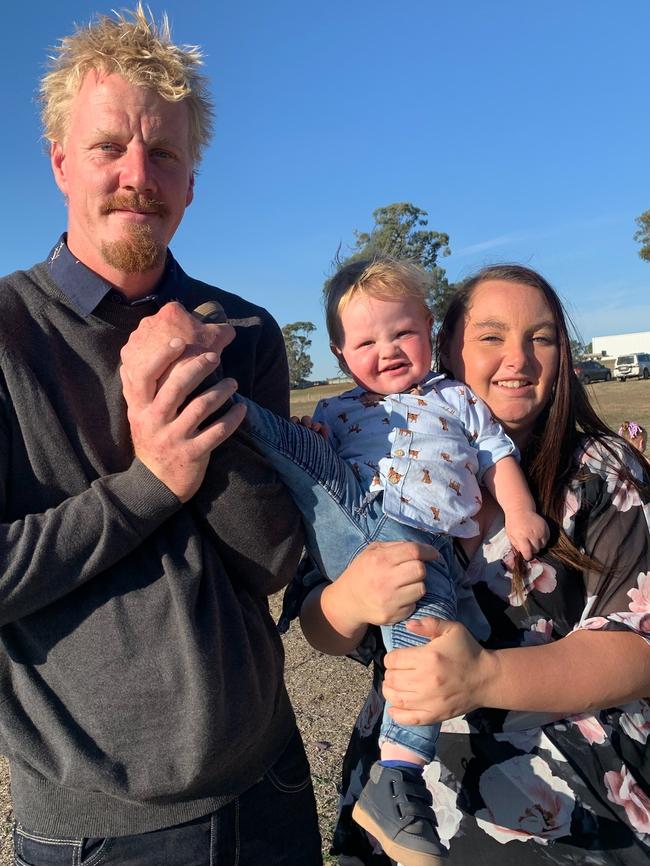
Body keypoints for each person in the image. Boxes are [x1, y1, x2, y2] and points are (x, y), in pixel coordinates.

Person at [0, 6, 327, 863]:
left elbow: (270, 562)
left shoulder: (244, 331)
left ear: (190, 184)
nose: (137, 173)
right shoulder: (6, 330)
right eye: (109, 146)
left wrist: (197, 392)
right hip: (101, 825)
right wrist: (152, 480)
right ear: (61, 162)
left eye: (166, 153)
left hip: (272, 778)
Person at [283, 264, 650, 864]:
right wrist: (351, 599)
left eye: (542, 337)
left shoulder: (602, 470)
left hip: (566, 805)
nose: (520, 359)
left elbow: (640, 646)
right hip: (403, 799)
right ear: (450, 344)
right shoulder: (365, 455)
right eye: (491, 336)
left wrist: (482, 677)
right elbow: (319, 627)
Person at [236, 257, 548, 866]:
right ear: (339, 352)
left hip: (426, 548)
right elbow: (319, 593)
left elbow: (497, 456)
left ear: (429, 329)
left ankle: (396, 775)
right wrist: (317, 440)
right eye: (366, 342)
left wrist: (520, 512)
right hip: (357, 525)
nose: (388, 351)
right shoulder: (335, 411)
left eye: (402, 333)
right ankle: (222, 404)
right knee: (299, 448)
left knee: (426, 627)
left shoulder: (457, 398)